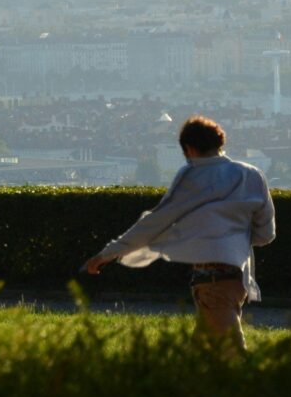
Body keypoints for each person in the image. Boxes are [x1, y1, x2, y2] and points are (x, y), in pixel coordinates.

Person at [83, 115, 275, 356]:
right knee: (202, 351)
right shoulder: (252, 175)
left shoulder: (191, 176)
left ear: (190, 149)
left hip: (210, 279)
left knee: (233, 354)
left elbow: (155, 222)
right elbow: (266, 234)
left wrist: (108, 253)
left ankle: (260, 393)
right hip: (238, 279)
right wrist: (236, 241)